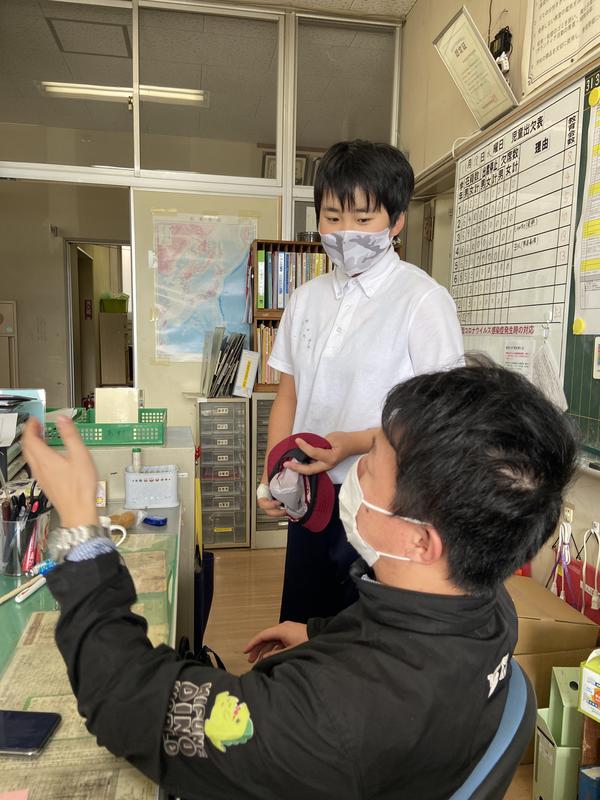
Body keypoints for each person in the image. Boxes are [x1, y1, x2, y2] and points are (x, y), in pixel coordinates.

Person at [23, 362, 577, 800]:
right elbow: (394, 636)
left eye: (371, 464)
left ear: (420, 541)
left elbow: (124, 701)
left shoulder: (330, 720)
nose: (354, 471)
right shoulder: (489, 604)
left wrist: (81, 530)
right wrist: (319, 634)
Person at [258, 139, 465, 623]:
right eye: (332, 217)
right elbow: (288, 396)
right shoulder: (304, 299)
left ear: (397, 222)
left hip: (383, 507)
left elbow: (440, 421)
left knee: (363, 640)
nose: (345, 232)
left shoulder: (423, 301)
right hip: (310, 498)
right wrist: (273, 477)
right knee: (303, 629)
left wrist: (351, 443)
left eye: (363, 218)